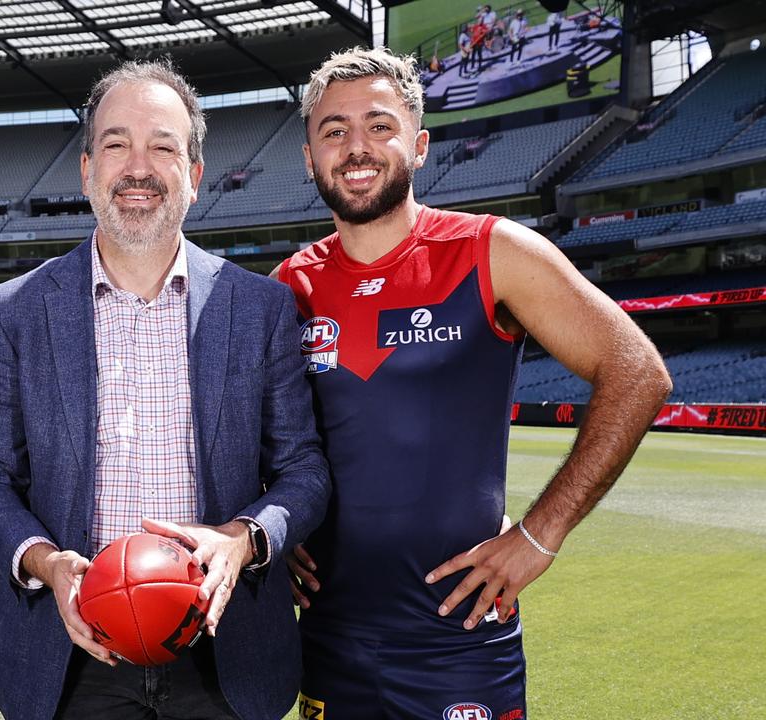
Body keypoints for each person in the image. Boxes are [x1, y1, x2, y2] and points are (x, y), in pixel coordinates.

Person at [273, 48, 671, 720]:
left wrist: (541, 534)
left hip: (459, 645)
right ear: (311, 158)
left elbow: (637, 373)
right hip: (326, 642)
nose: (356, 148)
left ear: (420, 145)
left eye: (379, 125)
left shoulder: (494, 253)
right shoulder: (291, 286)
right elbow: (265, 436)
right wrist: (276, 532)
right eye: (333, 131)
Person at [0, 59, 329, 720]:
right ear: (86, 170)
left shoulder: (262, 310)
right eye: (115, 144)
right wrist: (48, 565)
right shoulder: (13, 313)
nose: (137, 166)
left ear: (193, 174)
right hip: (67, 657)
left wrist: (245, 538)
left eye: (162, 146)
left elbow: (304, 471)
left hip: (225, 650)